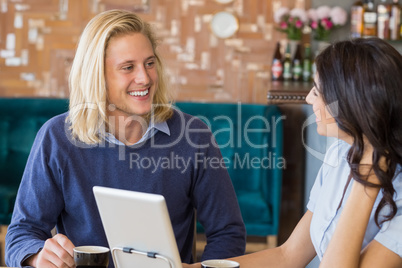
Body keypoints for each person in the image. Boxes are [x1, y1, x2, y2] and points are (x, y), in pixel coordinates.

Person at [5, 9, 246, 268]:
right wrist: (38, 256)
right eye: (128, 67)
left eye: (150, 63)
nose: (144, 78)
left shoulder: (194, 137)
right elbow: (21, 235)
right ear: (98, 76)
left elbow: (227, 233)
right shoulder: (57, 138)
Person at [186, 37, 402, 268]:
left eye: (317, 92)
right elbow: (288, 256)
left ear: (354, 104)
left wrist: (368, 174)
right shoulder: (339, 153)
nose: (308, 98)